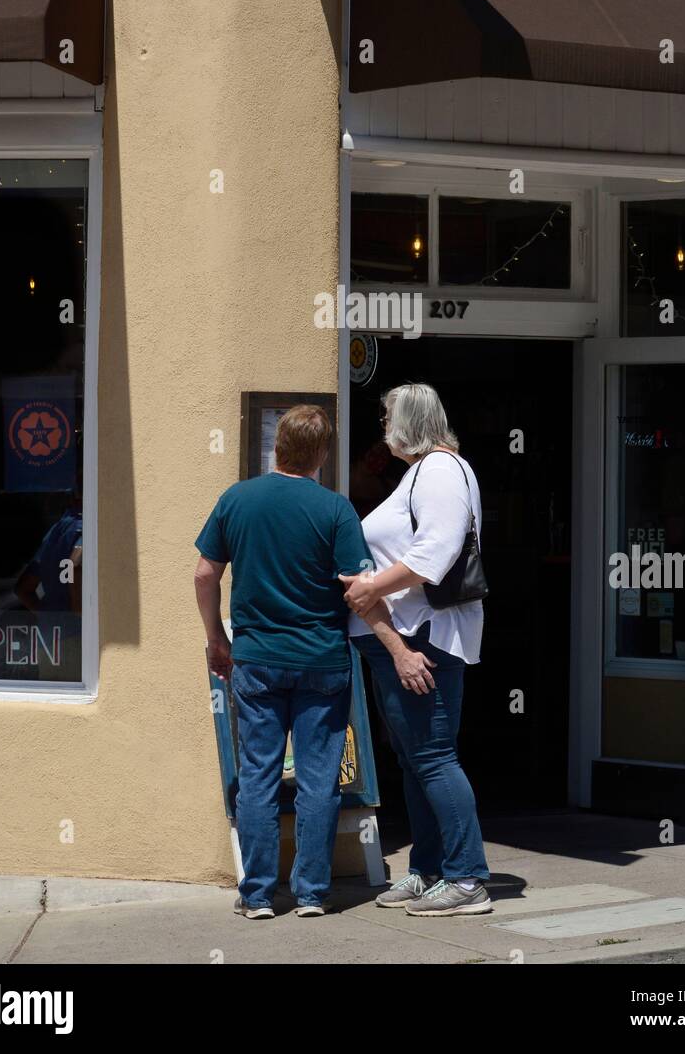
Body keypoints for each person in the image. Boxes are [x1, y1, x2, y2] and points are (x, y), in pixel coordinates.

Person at [194, 405, 372, 920]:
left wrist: (215, 639)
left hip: (257, 659)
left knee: (258, 776)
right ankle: (313, 892)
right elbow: (359, 586)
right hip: (322, 660)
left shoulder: (238, 500)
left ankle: (257, 895)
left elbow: (205, 574)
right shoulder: (336, 511)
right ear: (321, 454)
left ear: (277, 445)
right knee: (319, 779)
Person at [340, 383, 491, 917]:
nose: (382, 427)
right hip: (408, 631)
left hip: (422, 634)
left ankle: (467, 878)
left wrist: (371, 587)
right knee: (415, 758)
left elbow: (436, 552)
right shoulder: (426, 471)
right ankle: (429, 871)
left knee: (432, 756)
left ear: (406, 421)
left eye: (386, 417)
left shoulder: (441, 471)